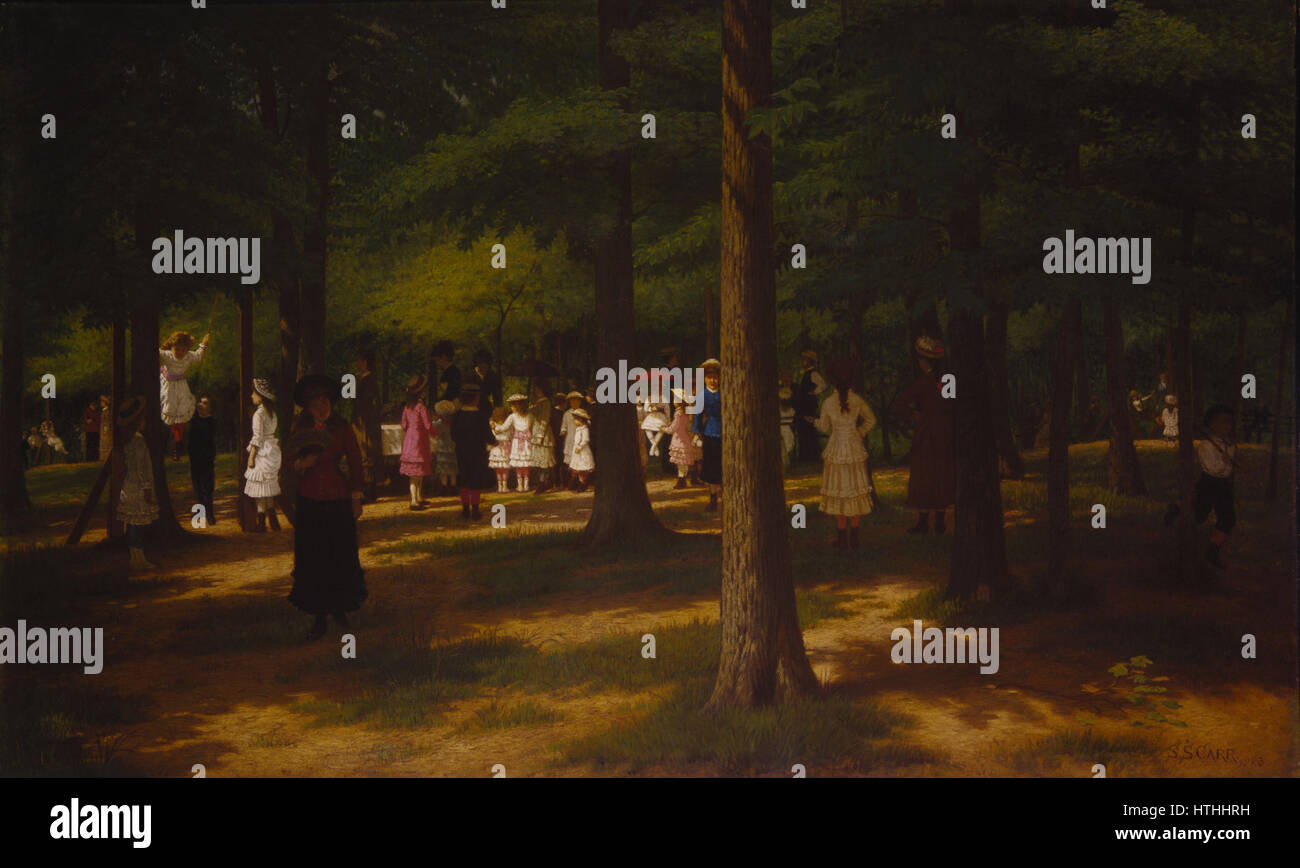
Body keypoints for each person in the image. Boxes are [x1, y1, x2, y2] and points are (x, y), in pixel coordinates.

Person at [285, 374, 367, 641]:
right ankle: (319, 615)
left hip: (337, 497)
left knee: (340, 553)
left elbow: (355, 461)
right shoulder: (300, 430)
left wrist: (356, 497)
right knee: (315, 557)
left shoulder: (341, 428)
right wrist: (301, 465)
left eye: (324, 401)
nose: (321, 406)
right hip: (310, 499)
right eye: (315, 403)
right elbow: (286, 464)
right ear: (307, 407)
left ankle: (341, 609)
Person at [892, 335, 955, 535]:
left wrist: (915, 415)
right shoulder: (947, 381)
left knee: (926, 476)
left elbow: (899, 404)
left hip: (928, 433)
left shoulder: (924, 382)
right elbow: (952, 406)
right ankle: (938, 521)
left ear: (924, 361)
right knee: (938, 475)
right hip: (944, 432)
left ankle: (926, 521)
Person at [1165, 404, 1238, 568]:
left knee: (1228, 519)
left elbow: (1227, 471)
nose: (1226, 426)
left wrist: (1226, 463)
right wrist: (1224, 462)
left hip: (1223, 485)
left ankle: (1212, 550)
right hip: (1209, 483)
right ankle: (1176, 511)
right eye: (1221, 423)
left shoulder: (1230, 445)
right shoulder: (1206, 445)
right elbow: (1211, 468)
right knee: (1198, 515)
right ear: (1212, 425)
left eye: (1228, 423)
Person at [817, 358, 877, 548]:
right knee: (854, 489)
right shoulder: (857, 400)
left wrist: (815, 422)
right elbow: (871, 420)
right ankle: (854, 537)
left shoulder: (827, 402)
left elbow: (824, 427)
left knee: (840, 491)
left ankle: (842, 537)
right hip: (853, 447)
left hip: (836, 448)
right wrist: (859, 433)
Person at [117, 395, 158, 574]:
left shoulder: (127, 440)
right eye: (142, 420)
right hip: (137, 487)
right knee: (136, 525)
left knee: (133, 524)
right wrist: (147, 487)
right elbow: (141, 468)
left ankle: (137, 558)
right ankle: (137, 559)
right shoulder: (138, 441)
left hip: (127, 487)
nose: (144, 422)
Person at [159, 330, 211, 460]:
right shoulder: (166, 355)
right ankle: (175, 442)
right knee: (170, 410)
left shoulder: (188, 356)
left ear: (187, 349)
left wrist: (204, 344)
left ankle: (178, 444)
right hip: (168, 386)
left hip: (181, 385)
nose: (180, 352)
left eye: (183, 349)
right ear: (171, 347)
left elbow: (199, 357)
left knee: (182, 411)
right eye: (177, 349)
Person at [449, 382, 494, 519]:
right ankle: (475, 509)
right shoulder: (481, 416)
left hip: (461, 452)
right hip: (478, 452)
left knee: (464, 479)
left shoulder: (457, 416)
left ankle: (465, 509)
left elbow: (453, 435)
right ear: (476, 398)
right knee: (475, 480)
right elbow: (488, 434)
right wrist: (494, 442)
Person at [244, 379, 283, 531]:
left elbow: (258, 438)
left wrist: (251, 457)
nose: (252, 396)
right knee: (267, 486)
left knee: (260, 487)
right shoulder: (272, 413)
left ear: (261, 396)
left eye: (254, 393)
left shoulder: (258, 415)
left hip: (262, 452)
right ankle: (272, 520)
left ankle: (261, 521)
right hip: (272, 450)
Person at [399, 374, 435, 510]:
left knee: (415, 473)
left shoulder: (407, 407)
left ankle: (418, 497)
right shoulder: (421, 408)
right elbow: (428, 425)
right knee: (417, 473)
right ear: (421, 393)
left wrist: (410, 430)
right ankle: (414, 500)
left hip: (409, 441)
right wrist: (437, 433)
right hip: (419, 442)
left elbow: (403, 425)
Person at [352, 350, 383, 503]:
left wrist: (362, 418)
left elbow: (367, 402)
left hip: (366, 421)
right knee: (363, 453)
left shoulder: (370, 379)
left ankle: (370, 492)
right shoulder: (361, 379)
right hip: (360, 420)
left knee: (367, 453)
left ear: (365, 361)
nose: (357, 364)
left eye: (359, 360)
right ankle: (366, 490)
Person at [692, 359, 723, 511]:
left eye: (715, 377)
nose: (713, 380)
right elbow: (697, 416)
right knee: (711, 466)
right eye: (709, 377)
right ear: (705, 378)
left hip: (726, 433)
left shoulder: (726, 393)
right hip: (710, 433)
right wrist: (697, 432)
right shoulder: (701, 395)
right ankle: (713, 499)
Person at [794, 349, 827, 465]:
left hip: (809, 406)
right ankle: (805, 457)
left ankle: (811, 457)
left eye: (806, 360)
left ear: (810, 361)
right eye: (803, 359)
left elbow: (823, 385)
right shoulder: (805, 374)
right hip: (803, 406)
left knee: (809, 430)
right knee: (803, 431)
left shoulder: (813, 373)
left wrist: (813, 392)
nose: (803, 362)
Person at [189, 393, 217, 526]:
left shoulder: (211, 421)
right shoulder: (194, 421)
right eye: (200, 402)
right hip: (195, 460)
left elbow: (209, 439)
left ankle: (210, 515)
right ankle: (202, 514)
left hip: (207, 460)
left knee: (208, 488)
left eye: (205, 403)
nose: (201, 405)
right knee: (198, 488)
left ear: (210, 407)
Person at [663, 388, 699, 490]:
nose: (674, 401)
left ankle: (681, 480)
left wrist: (664, 429)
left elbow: (674, 428)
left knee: (680, 462)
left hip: (679, 439)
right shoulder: (685, 413)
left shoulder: (678, 413)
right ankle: (682, 480)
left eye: (675, 399)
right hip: (684, 438)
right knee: (683, 461)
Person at [529, 396, 556, 493]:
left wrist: (540, 435)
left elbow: (544, 420)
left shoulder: (546, 402)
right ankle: (543, 482)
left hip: (543, 436)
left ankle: (543, 483)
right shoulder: (536, 402)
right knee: (540, 462)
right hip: (535, 433)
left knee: (545, 461)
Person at [432, 400, 459, 494]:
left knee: (443, 469)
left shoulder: (438, 424)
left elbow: (433, 433)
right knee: (453, 469)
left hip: (442, 449)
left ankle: (444, 486)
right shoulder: (454, 424)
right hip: (453, 448)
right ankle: (453, 485)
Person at [559, 390, 584, 487]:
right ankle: (573, 480)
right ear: (569, 402)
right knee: (571, 462)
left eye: (576, 401)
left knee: (580, 461)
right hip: (570, 440)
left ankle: (580, 481)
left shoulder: (582, 412)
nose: (574, 402)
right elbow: (564, 426)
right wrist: (563, 431)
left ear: (580, 402)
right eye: (572, 401)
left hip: (580, 439)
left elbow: (587, 424)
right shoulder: (567, 414)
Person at [568, 408, 594, 490]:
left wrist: (579, 447)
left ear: (581, 419)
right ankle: (579, 483)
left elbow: (585, 440)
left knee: (583, 469)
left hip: (583, 451)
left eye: (575, 419)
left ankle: (583, 484)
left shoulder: (585, 429)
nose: (574, 421)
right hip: (577, 452)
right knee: (578, 468)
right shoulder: (578, 429)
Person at [488, 405, 512, 492]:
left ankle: (500, 486)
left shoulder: (493, 426)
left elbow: (492, 436)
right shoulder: (507, 426)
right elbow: (510, 436)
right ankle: (503, 486)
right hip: (503, 448)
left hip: (497, 449)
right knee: (504, 469)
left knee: (499, 469)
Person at [432, 341, 462, 405]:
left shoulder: (452, 372)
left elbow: (450, 394)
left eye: (437, 359)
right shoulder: (450, 371)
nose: (436, 362)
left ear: (444, 357)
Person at [779, 386, 796, 470]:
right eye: (783, 400)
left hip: (787, 430)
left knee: (789, 444)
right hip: (781, 430)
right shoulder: (778, 410)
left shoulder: (792, 410)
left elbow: (792, 422)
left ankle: (786, 465)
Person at [98, 395, 114, 462]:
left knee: (105, 442)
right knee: (103, 442)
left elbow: (106, 421)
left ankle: (105, 457)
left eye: (102, 402)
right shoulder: (104, 411)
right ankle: (103, 457)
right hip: (103, 428)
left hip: (105, 428)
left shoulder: (107, 411)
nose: (101, 403)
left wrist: (105, 428)